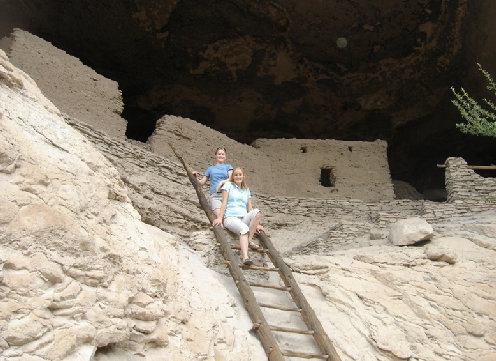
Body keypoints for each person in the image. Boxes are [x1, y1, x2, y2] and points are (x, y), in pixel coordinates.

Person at [213, 167, 264, 265]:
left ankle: (248, 241)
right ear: (233, 177)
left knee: (257, 212)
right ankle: (245, 257)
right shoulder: (228, 185)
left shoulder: (246, 189)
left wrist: (256, 224)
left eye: (240, 174)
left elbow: (250, 208)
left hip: (243, 218)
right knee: (244, 228)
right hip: (231, 218)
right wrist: (220, 218)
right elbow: (224, 202)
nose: (238, 176)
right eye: (236, 175)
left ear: (243, 176)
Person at [193, 147, 233, 218]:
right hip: (215, 195)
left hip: (226, 195)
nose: (221, 156)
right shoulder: (210, 169)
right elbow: (201, 183)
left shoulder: (228, 167)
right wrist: (195, 177)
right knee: (219, 215)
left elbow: (231, 178)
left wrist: (222, 182)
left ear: (225, 156)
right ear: (216, 156)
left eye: (222, 154)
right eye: (219, 154)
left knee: (229, 216)